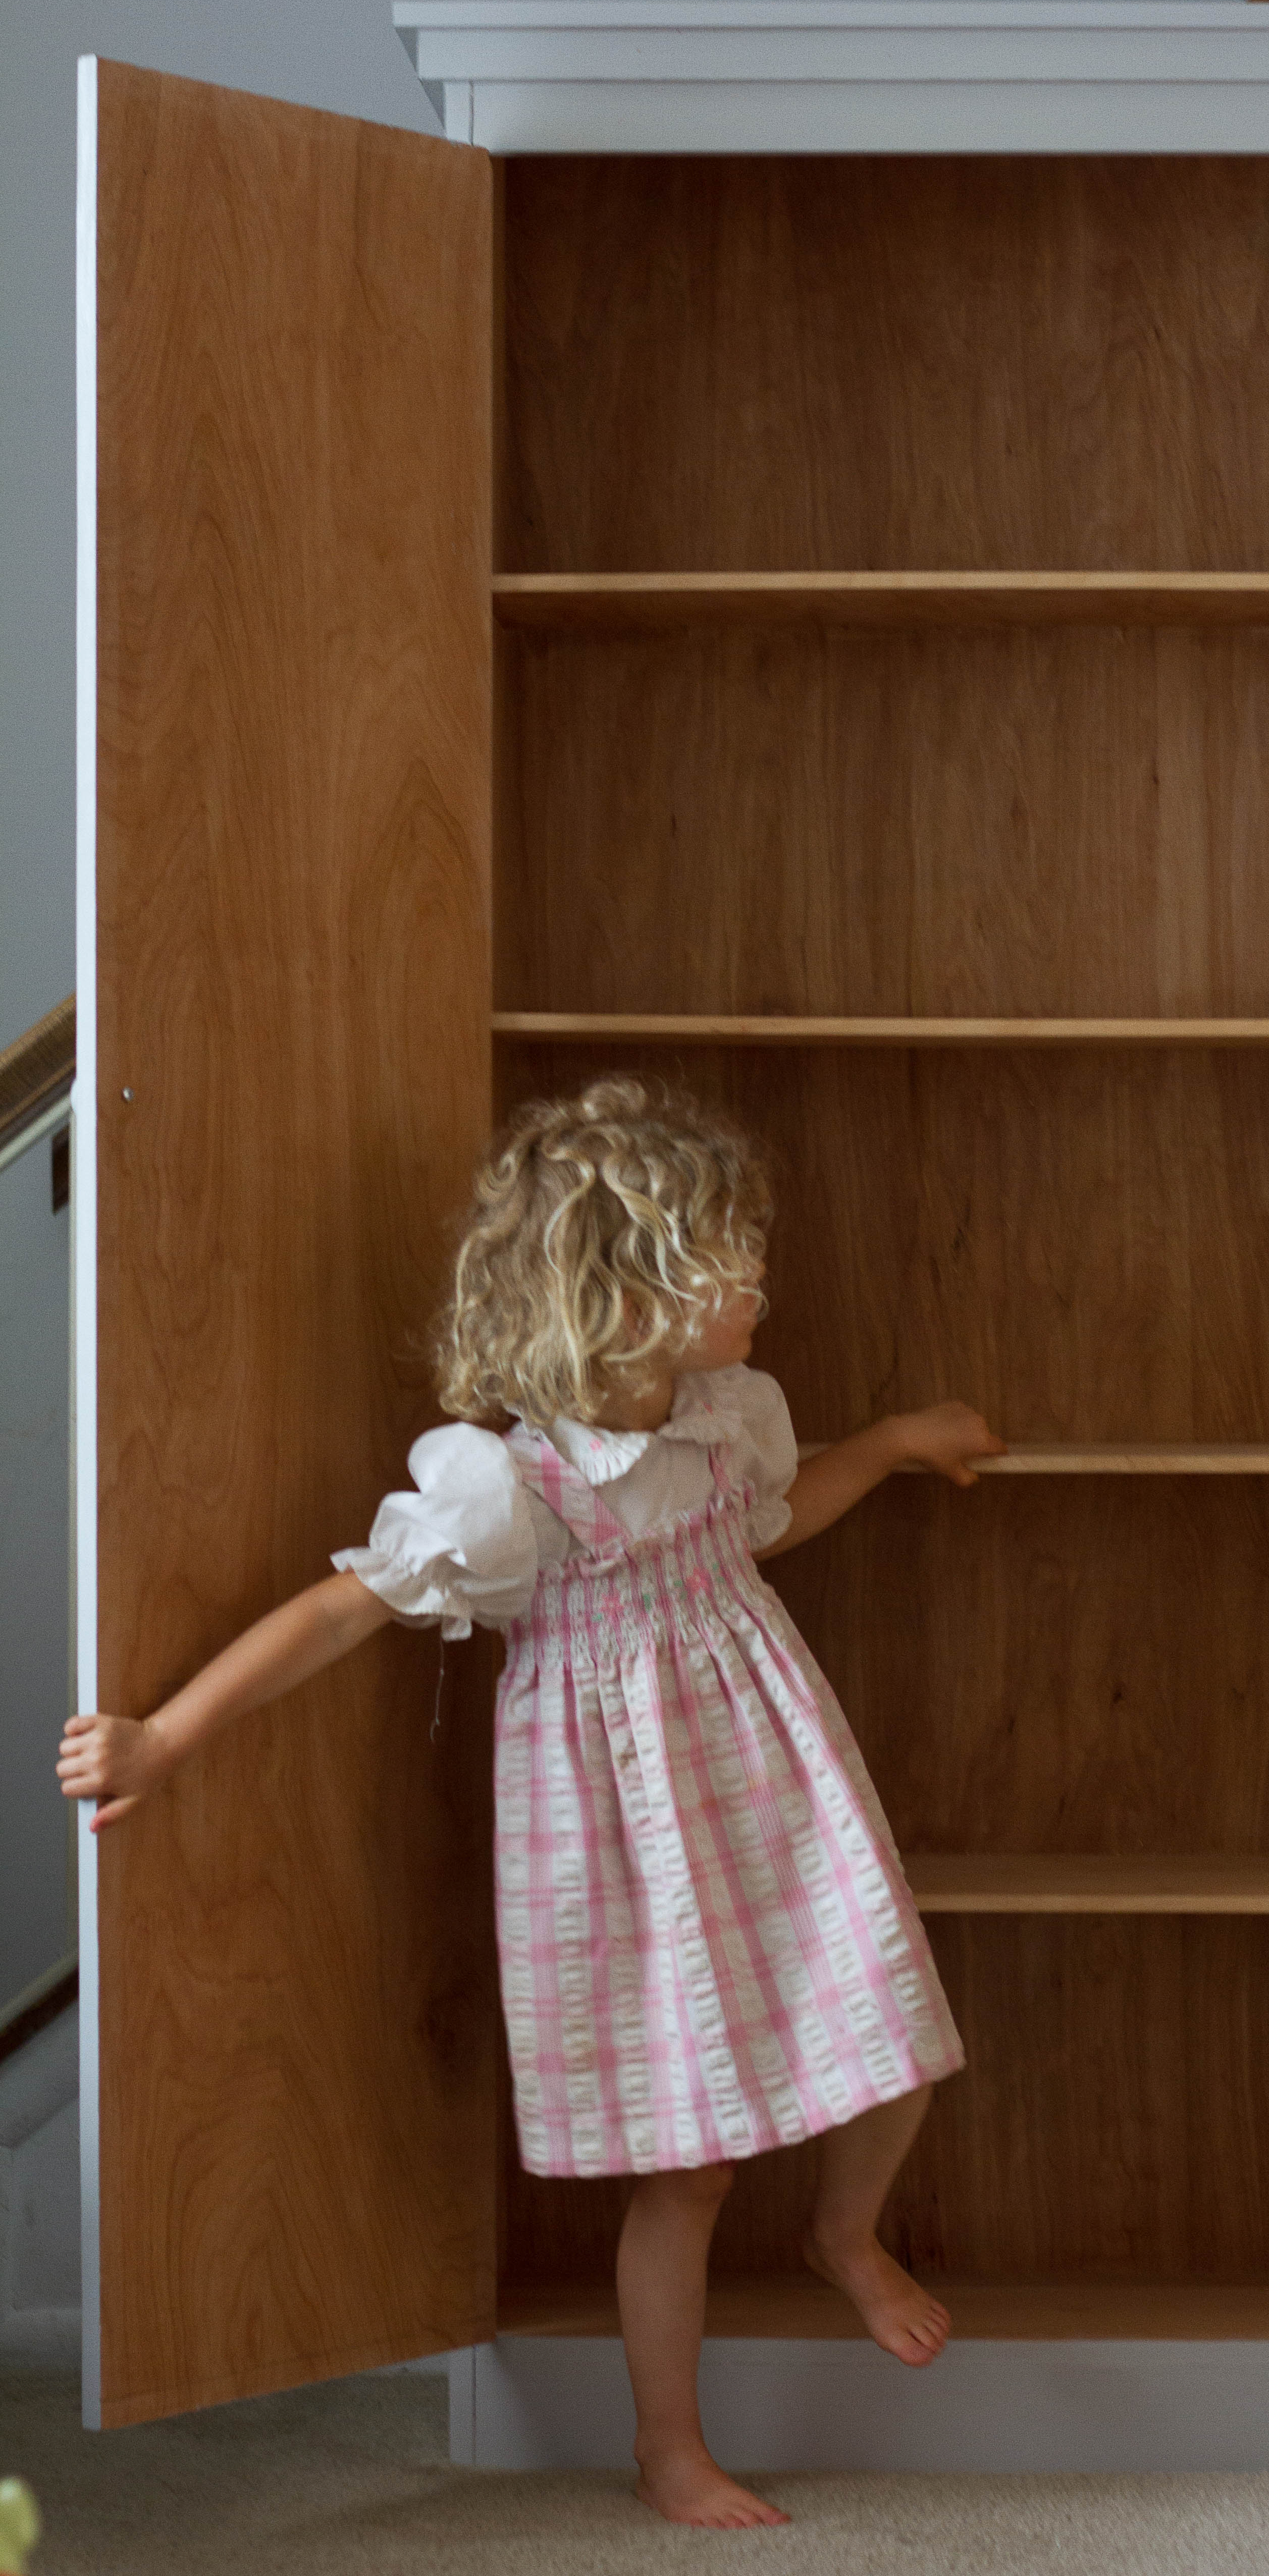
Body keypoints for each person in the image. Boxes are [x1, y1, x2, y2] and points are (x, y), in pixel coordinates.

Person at [58, 1075, 1001, 2531]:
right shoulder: (507, 1488)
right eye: (724, 1257)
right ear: (622, 1300)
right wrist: (164, 1737)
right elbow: (342, 1608)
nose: (760, 1276)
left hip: (770, 1779)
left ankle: (843, 2232)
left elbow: (765, 1526)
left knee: (900, 2033)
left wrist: (881, 1446)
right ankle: (669, 2448)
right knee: (688, 2168)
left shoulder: (727, 1417)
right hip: (621, 1832)